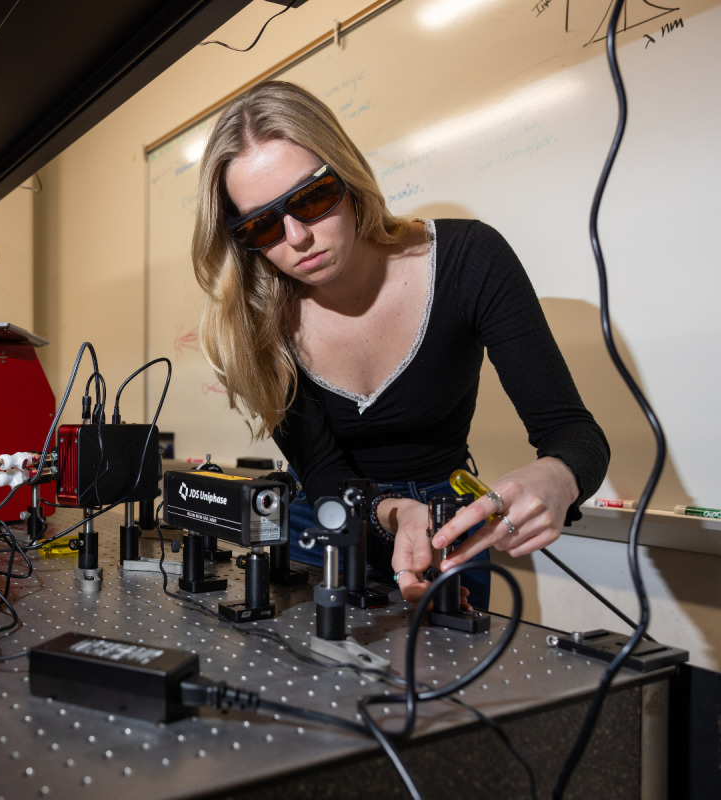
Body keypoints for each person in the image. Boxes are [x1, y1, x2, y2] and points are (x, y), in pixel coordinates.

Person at [191, 81, 609, 610]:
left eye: (312, 198)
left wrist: (555, 475)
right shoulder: (258, 322)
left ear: (347, 174)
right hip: (320, 521)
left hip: (445, 532)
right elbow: (324, 474)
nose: (296, 238)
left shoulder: (470, 260)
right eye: (263, 225)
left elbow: (574, 433)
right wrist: (393, 512)